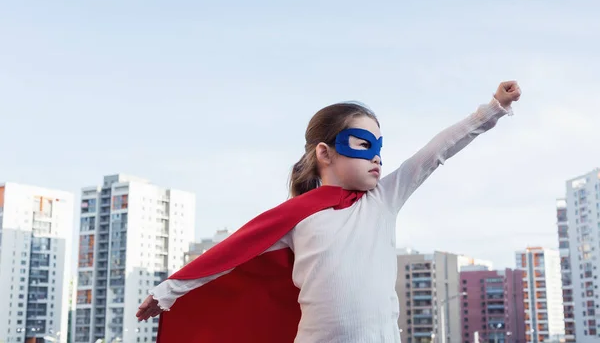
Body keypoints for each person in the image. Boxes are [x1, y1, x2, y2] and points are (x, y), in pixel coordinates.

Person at [136, 81, 521, 342]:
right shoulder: (297, 215)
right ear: (325, 153)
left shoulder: (383, 200)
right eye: (363, 144)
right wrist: (169, 290)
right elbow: (234, 251)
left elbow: (435, 152)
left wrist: (493, 109)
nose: (377, 158)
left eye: (380, 148)